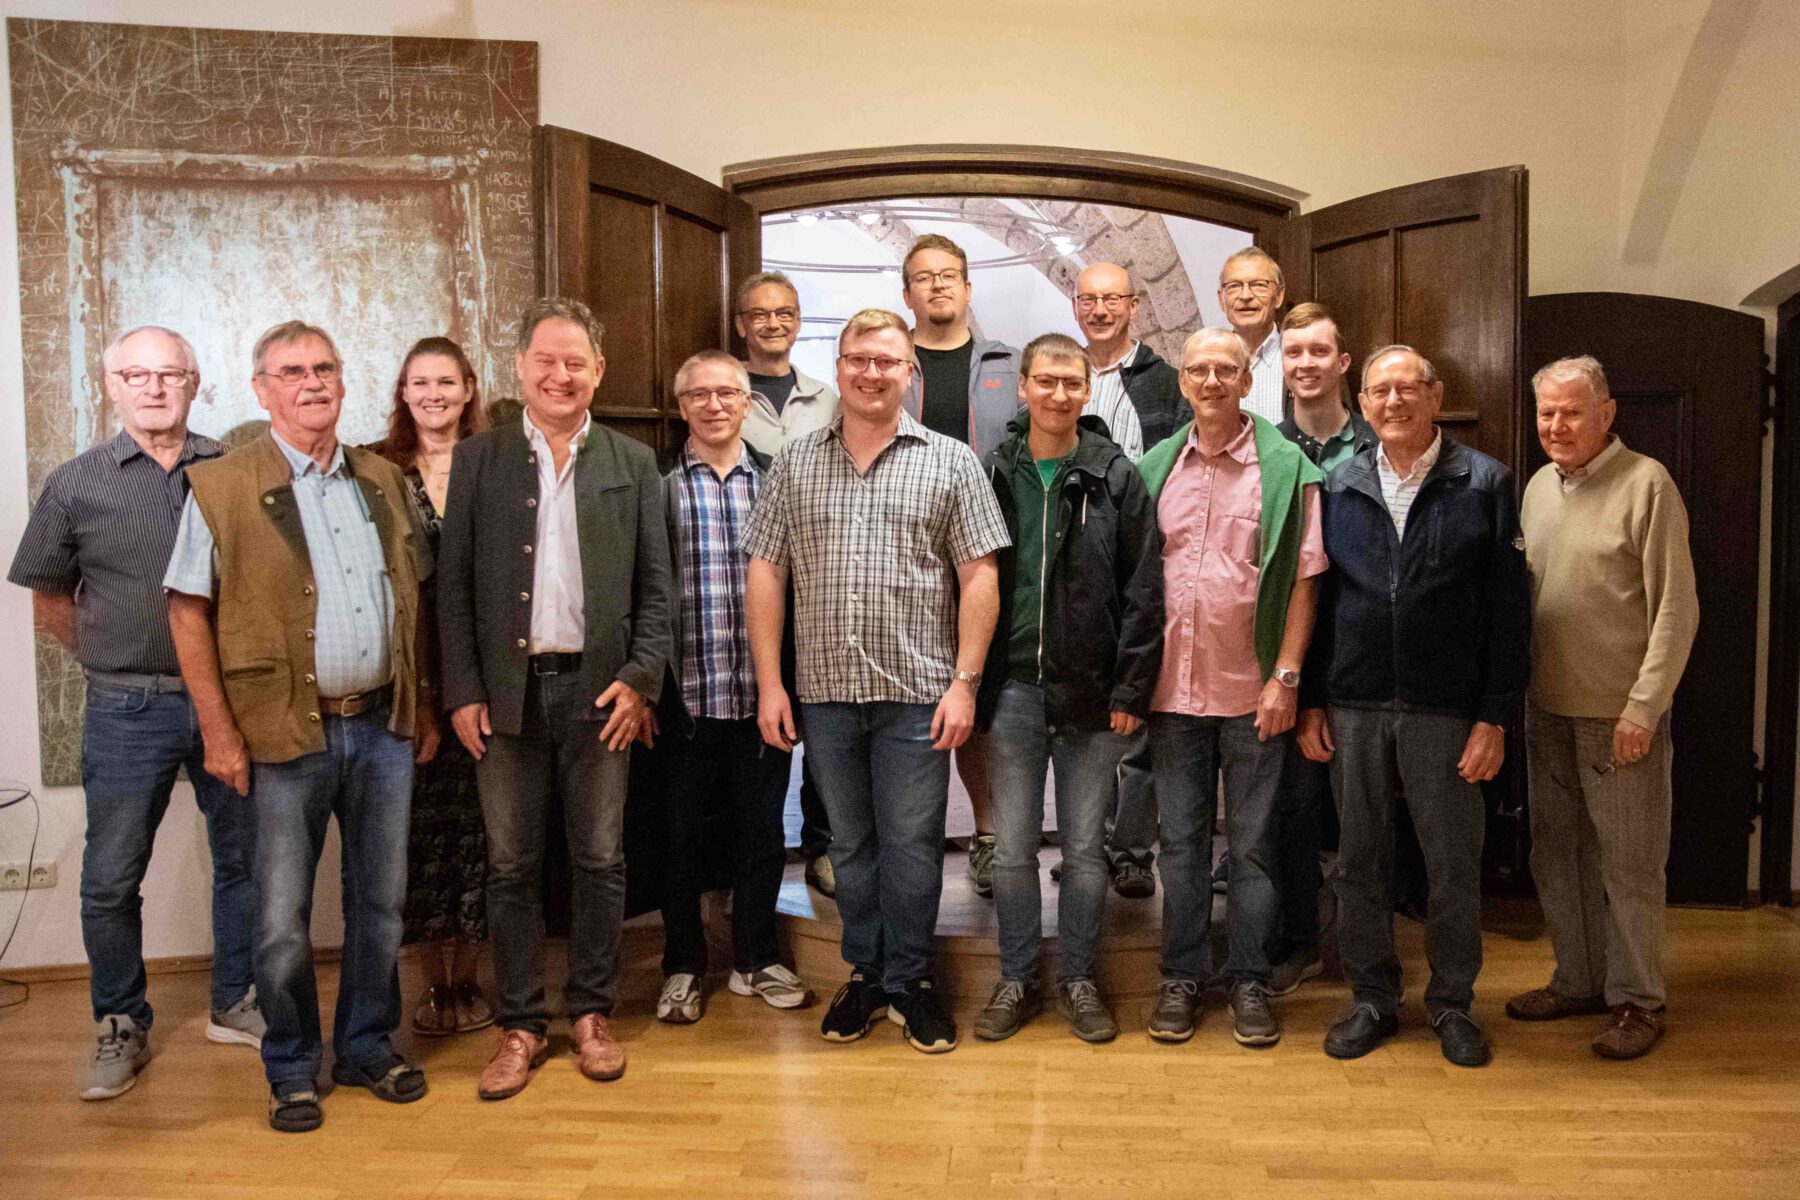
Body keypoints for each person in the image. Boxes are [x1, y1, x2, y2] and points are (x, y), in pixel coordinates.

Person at [165, 320, 437, 1132]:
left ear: (344, 381)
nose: (312, 382)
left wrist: (418, 703)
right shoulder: (220, 484)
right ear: (262, 390)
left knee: (381, 905)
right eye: (292, 371)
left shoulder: (383, 478)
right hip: (283, 735)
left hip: (381, 728)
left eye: (324, 368)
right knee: (280, 920)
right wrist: (218, 732)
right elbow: (186, 611)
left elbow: (416, 599)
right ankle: (289, 1066)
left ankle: (364, 1045)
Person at [744, 308, 1008, 1055]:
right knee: (852, 847)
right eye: (858, 359)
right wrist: (771, 683)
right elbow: (765, 571)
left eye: (886, 361)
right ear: (841, 364)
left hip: (918, 691)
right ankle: (865, 973)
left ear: (908, 373)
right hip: (824, 691)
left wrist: (965, 684)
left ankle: (912, 982)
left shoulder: (951, 461)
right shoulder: (797, 463)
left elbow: (980, 576)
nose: (871, 372)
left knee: (914, 844)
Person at [8, 325, 261, 1101]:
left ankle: (235, 1000)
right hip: (127, 707)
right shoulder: (76, 483)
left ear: (195, 383)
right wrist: (109, 660)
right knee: (111, 877)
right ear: (111, 385)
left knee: (246, 862)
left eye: (170, 375)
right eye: (138, 375)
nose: (155, 388)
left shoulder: (235, 470)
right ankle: (120, 1021)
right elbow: (51, 596)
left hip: (229, 701)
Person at [437, 297, 673, 1099]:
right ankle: (520, 1024)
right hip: (504, 696)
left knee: (601, 859)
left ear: (599, 371)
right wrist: (463, 689)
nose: (561, 374)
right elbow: (455, 592)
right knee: (510, 866)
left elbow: (658, 590)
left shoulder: (634, 464)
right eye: (547, 360)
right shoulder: (480, 460)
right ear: (520, 368)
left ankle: (592, 1013)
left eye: (577, 362)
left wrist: (641, 679)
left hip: (602, 692)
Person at [1298, 345, 1530, 1069]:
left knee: (1452, 865)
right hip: (1355, 702)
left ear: (1436, 397)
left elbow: (1508, 611)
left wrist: (1494, 714)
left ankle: (1453, 1003)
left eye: (1408, 389)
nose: (1393, 402)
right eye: (1379, 391)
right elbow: (1317, 599)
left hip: (1448, 709)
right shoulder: (1336, 483)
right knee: (1359, 861)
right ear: (1361, 403)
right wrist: (1309, 700)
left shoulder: (1483, 481)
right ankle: (1372, 998)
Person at [1138, 327, 1326, 1048]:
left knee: (1249, 850)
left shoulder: (1286, 469)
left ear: (1249, 382)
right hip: (1171, 697)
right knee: (1179, 848)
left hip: (1254, 695)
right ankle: (1181, 979)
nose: (1211, 381)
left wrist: (1286, 676)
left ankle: (1249, 980)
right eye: (1198, 370)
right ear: (1182, 383)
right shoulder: (1156, 466)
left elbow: (1307, 579)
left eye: (1226, 369)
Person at [971, 333, 1162, 1044]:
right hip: (1015, 687)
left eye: (1069, 383)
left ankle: (1080, 977)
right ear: (1021, 386)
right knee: (1015, 849)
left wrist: (1131, 688)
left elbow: (1147, 590)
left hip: (1092, 692)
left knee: (1085, 849)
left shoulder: (1117, 476)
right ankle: (1018, 977)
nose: (1057, 394)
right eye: (1044, 381)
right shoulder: (993, 471)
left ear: (1086, 393)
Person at [1510, 355, 1698, 1060]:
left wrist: (1644, 709)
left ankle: (1637, 1001)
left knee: (1628, 864)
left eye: (1572, 411)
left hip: (1617, 717)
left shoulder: (1647, 484)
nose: (1556, 426)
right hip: (1546, 710)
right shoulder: (1536, 488)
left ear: (1607, 413)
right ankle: (1580, 979)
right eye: (1547, 413)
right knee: (1557, 856)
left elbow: (1677, 609)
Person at [653, 349, 813, 1025]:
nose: (714, 406)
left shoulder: (778, 480)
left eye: (727, 393)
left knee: (760, 834)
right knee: (677, 838)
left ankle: (756, 957)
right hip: (680, 697)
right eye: (699, 395)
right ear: (681, 404)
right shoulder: (653, 482)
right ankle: (683, 964)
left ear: (748, 403)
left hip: (761, 694)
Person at [369, 336, 494, 1038]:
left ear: (469, 388)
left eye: (446, 381)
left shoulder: (498, 463)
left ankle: (471, 980)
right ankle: (431, 985)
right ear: (403, 392)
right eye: (420, 382)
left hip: (479, 674)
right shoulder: (376, 469)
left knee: (479, 838)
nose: (434, 394)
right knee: (413, 842)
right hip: (407, 679)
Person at [898, 233, 1021, 896]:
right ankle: (908, 844)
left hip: (989, 556)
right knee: (911, 705)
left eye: (949, 276)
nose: (938, 286)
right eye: (923, 277)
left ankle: (988, 834)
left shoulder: (1008, 363)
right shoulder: (888, 363)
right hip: (906, 559)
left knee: (980, 697)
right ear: (907, 294)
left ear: (969, 289)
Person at [1265, 303, 1376, 995]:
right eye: (1293, 351)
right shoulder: (1264, 449)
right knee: (1291, 818)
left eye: (1318, 350)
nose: (1304, 362)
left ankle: (1365, 952)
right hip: (1284, 664)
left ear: (1343, 363)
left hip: (1364, 663)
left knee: (1367, 823)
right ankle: (1300, 941)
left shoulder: (1380, 447)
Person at [1073, 260, 1185, 898]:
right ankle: (1088, 842)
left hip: (1145, 549)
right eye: (1088, 299)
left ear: (1135, 305)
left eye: (1112, 299)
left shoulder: (1165, 382)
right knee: (1090, 705)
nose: (1100, 310)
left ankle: (1134, 849)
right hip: (1082, 560)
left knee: (1140, 702)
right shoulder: (1065, 372)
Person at [732, 270, 841, 898]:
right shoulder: (725, 391)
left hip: (820, 585)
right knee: (761, 729)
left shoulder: (826, 398)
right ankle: (753, 867)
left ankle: (823, 845)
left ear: (798, 322)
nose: (774, 324)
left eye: (785, 313)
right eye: (761, 314)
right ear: (742, 324)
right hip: (747, 582)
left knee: (824, 722)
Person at [1218, 247, 1288, 425]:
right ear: (1221, 300)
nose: (1246, 296)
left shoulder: (1301, 357)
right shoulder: (1207, 364)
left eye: (1258, 285)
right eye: (1234, 286)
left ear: (1279, 296)